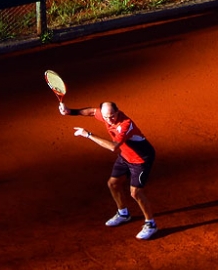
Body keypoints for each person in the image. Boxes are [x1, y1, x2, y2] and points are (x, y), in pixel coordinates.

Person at [59, 100, 158, 240]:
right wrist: (71, 112)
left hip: (141, 160)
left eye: (112, 116)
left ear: (117, 112)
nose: (110, 120)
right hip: (125, 155)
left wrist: (88, 134)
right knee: (113, 183)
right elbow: (92, 111)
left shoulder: (125, 124)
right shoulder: (105, 114)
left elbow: (113, 147)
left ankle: (151, 224)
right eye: (106, 117)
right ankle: (123, 214)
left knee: (135, 193)